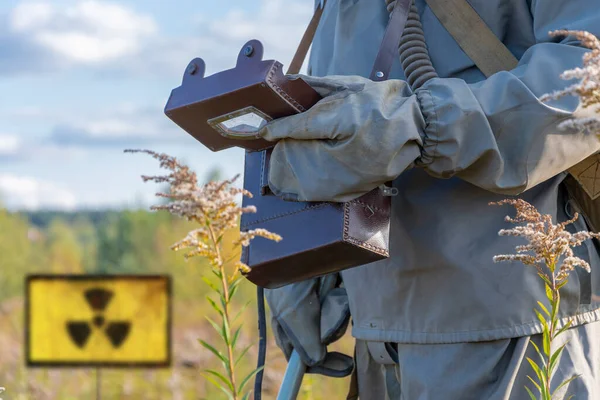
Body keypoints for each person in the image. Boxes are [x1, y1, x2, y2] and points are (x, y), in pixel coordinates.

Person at [262, 0, 600, 398]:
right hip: (376, 330)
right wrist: (303, 254)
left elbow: (587, 76)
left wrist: (422, 123)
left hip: (506, 329)